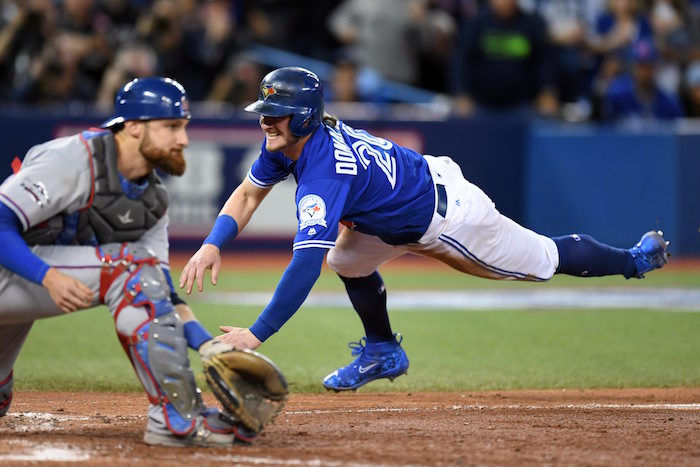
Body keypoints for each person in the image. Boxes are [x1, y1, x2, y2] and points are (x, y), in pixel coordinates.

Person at [180, 67, 670, 392]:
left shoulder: (323, 172)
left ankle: (633, 260)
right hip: (397, 208)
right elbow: (247, 195)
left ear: (304, 114)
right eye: (264, 112)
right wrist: (212, 244)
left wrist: (257, 335)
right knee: (347, 258)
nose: (266, 121)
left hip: (448, 217)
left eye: (276, 113)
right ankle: (382, 351)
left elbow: (303, 262)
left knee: (543, 259)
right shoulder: (288, 142)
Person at [0, 77, 252, 446]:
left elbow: (161, 292)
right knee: (129, 265)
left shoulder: (151, 200)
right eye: (171, 126)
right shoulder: (73, 157)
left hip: (17, 289)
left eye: (183, 126)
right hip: (18, 274)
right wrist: (48, 276)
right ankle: (177, 420)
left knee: (138, 268)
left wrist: (206, 344)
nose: (183, 139)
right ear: (133, 126)